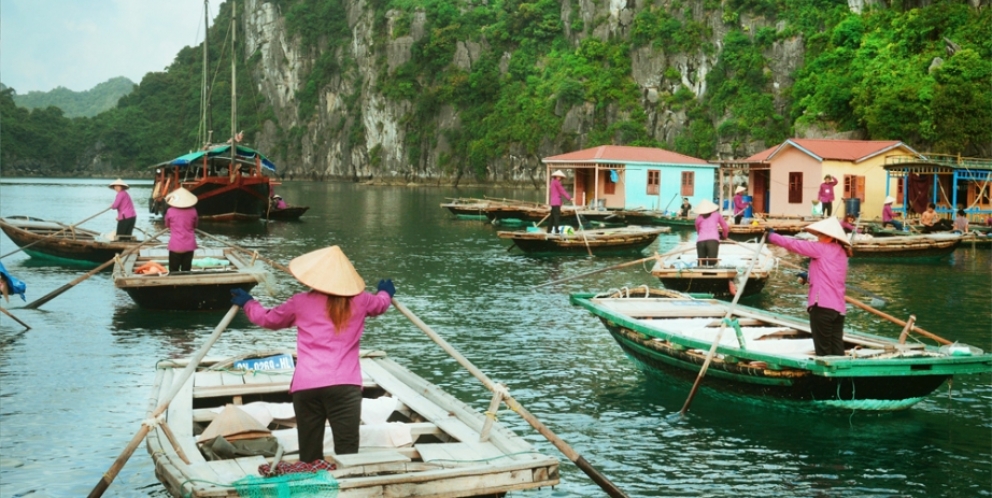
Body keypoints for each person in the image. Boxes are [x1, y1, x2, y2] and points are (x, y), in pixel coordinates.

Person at [230, 245, 394, 463]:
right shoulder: (361, 300)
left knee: (309, 453)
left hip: (307, 387)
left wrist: (249, 303)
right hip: (345, 387)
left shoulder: (300, 302)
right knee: (347, 452)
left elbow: (268, 319)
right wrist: (385, 292)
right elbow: (380, 304)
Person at [766, 217, 852, 356]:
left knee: (823, 352)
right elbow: (828, 275)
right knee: (837, 350)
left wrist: (772, 236)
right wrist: (809, 277)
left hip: (822, 306)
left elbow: (794, 244)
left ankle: (825, 378)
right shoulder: (842, 253)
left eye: (820, 235)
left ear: (829, 237)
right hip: (838, 310)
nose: (818, 238)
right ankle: (840, 378)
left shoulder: (821, 248)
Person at [163, 188, 199, 272]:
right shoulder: (193, 211)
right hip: (189, 245)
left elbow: (167, 225)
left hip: (176, 245)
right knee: (186, 270)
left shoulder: (170, 211)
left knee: (173, 271)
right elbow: (195, 225)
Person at [694, 199, 729, 267]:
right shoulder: (717, 215)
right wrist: (724, 236)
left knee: (701, 264)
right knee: (712, 264)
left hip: (700, 242)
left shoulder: (698, 218)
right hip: (713, 241)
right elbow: (725, 227)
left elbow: (698, 231)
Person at [548, 170, 572, 234]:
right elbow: (562, 191)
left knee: (552, 217)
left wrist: (561, 201)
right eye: (558, 177)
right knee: (556, 216)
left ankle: (549, 230)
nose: (559, 178)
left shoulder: (553, 182)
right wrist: (569, 198)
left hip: (553, 202)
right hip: (556, 203)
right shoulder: (556, 182)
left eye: (560, 177)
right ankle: (556, 230)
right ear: (556, 176)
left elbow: (558, 192)